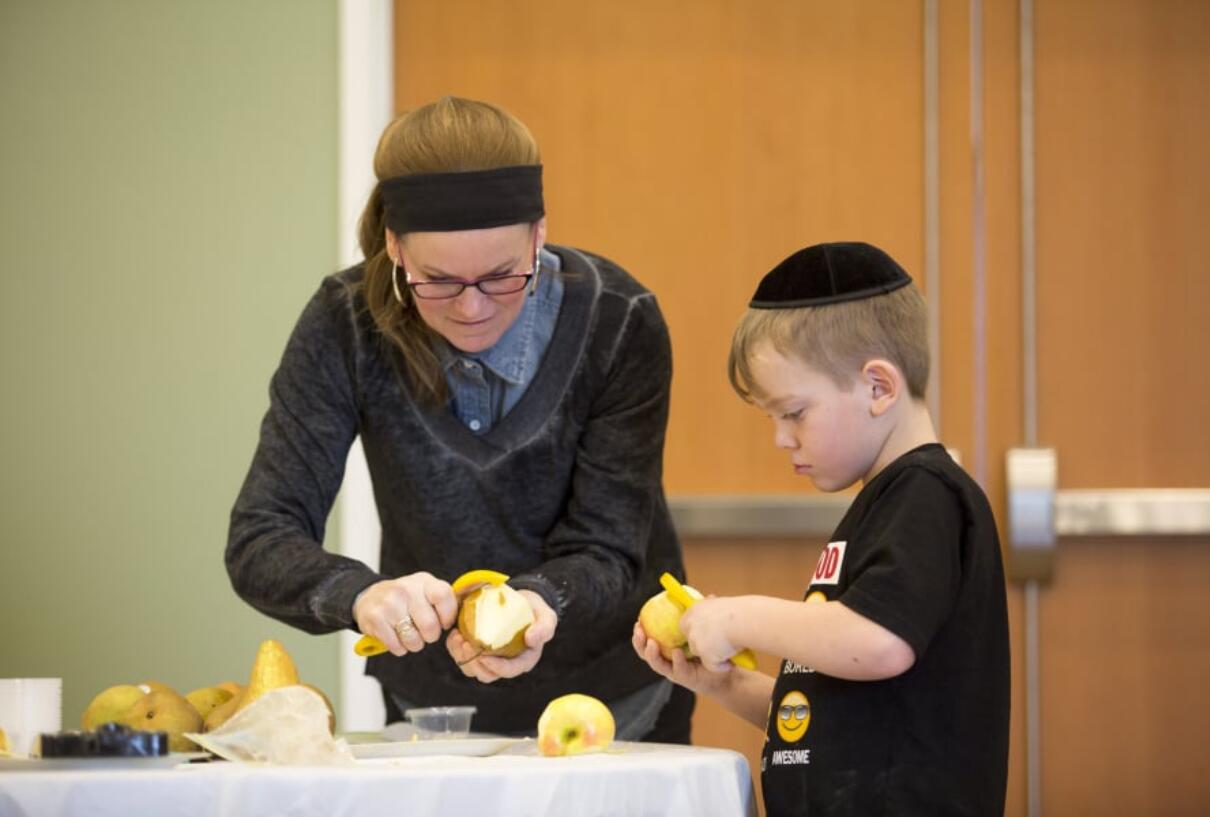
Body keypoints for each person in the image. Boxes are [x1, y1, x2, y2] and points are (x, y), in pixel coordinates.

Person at [227, 96, 693, 741]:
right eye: (438, 280)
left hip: (617, 696)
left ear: (539, 233)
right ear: (394, 247)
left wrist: (537, 604)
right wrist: (360, 596)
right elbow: (260, 537)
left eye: (503, 276)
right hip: (435, 712)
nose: (472, 308)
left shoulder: (619, 321)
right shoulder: (345, 324)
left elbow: (608, 547)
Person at [632, 242, 1009, 814]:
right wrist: (721, 682)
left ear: (878, 388)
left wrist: (741, 617)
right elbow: (821, 713)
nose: (782, 438)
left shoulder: (925, 494)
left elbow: (880, 644)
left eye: (793, 413)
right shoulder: (881, 504)